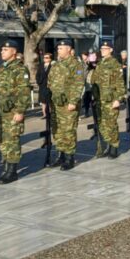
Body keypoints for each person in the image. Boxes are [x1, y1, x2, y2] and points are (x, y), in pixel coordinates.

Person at [0, 39, 32, 184]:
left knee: (12, 140)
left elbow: (24, 92)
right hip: (0, 111)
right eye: (2, 49)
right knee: (2, 141)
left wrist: (20, 111)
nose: (2, 52)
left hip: (13, 111)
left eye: (5, 50)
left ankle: (12, 171)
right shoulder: (1, 68)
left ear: (14, 52)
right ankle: (5, 168)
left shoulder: (20, 69)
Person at [47, 39, 87, 169]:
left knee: (68, 130)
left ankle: (69, 158)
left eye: (61, 48)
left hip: (68, 104)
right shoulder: (56, 65)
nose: (58, 50)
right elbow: (50, 82)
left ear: (69, 49)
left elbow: (78, 84)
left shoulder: (76, 65)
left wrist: (73, 101)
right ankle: (60, 155)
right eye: (58, 48)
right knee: (57, 129)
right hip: (56, 103)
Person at [89, 41, 125, 159]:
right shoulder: (100, 63)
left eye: (105, 48)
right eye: (102, 49)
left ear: (111, 50)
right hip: (100, 99)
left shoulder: (115, 64)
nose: (103, 50)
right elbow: (94, 81)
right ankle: (107, 146)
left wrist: (118, 99)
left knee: (111, 124)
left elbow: (120, 83)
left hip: (110, 99)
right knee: (102, 124)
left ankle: (114, 147)